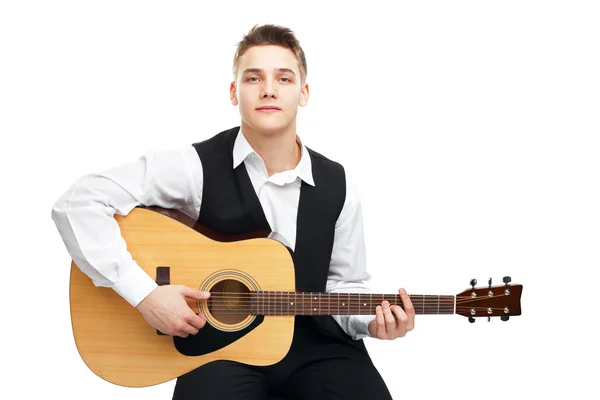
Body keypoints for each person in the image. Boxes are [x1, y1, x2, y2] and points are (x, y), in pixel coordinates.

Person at [52, 23, 415, 400]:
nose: (269, 89)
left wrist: (373, 323)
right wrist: (145, 294)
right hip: (218, 349)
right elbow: (78, 202)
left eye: (284, 78)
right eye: (253, 77)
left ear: (303, 93)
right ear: (233, 91)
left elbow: (344, 285)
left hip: (319, 347)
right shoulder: (195, 166)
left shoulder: (338, 183)